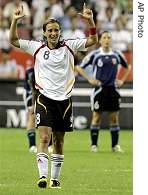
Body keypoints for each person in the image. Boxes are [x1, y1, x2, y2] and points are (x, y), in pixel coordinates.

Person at [9, 4, 98, 188]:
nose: (53, 33)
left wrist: (90, 21)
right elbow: (14, 40)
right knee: (43, 138)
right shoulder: (36, 48)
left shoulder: (70, 45)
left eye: (56, 30)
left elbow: (92, 40)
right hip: (44, 99)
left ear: (60, 32)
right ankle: (42, 177)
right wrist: (15, 21)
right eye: (49, 30)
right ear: (44, 33)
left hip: (64, 101)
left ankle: (55, 179)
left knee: (59, 140)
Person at [75, 31, 131, 153]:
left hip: (113, 89)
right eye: (104, 38)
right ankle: (94, 145)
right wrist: (90, 79)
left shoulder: (117, 54)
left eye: (108, 38)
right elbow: (78, 67)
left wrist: (122, 80)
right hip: (99, 90)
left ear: (111, 40)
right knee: (96, 117)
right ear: (100, 40)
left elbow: (128, 66)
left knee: (114, 118)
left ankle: (115, 146)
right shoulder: (95, 54)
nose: (106, 40)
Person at [23, 66, 53, 154]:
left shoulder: (51, 70)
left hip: (46, 94)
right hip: (31, 94)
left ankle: (50, 145)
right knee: (32, 115)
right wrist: (33, 105)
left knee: (49, 116)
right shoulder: (32, 72)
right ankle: (32, 145)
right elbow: (34, 91)